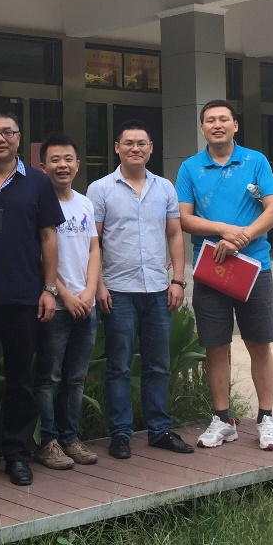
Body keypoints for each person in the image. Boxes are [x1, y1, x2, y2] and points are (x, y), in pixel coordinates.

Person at [176, 100, 273, 451]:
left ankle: (266, 418)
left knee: (259, 344)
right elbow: (184, 218)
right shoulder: (190, 168)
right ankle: (223, 419)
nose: (217, 124)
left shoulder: (255, 161)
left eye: (224, 119)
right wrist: (224, 230)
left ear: (235, 125)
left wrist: (242, 237)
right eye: (210, 120)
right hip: (211, 271)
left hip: (254, 268)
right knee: (215, 347)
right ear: (202, 128)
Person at [0, 111, 63, 487]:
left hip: (24, 297)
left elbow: (48, 236)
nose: (0, 138)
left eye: (7, 132)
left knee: (21, 380)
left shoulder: (38, 182)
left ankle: (18, 454)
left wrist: (49, 288)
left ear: (19, 138)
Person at [86, 120, 193, 460]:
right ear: (117, 147)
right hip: (118, 291)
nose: (135, 148)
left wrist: (178, 280)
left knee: (158, 364)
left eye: (141, 143)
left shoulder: (165, 188)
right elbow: (93, 242)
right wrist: (98, 284)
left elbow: (174, 234)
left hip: (158, 290)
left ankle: (159, 429)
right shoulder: (100, 189)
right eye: (128, 143)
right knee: (118, 366)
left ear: (151, 149)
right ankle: (120, 433)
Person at [33, 134, 101, 470]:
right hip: (56, 306)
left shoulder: (85, 202)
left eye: (68, 159)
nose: (62, 165)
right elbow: (38, 254)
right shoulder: (38, 203)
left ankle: (70, 437)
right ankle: (48, 442)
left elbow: (93, 248)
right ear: (42, 165)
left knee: (76, 377)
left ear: (77, 164)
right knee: (50, 378)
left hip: (85, 305)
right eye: (55, 160)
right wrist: (65, 294)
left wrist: (89, 291)